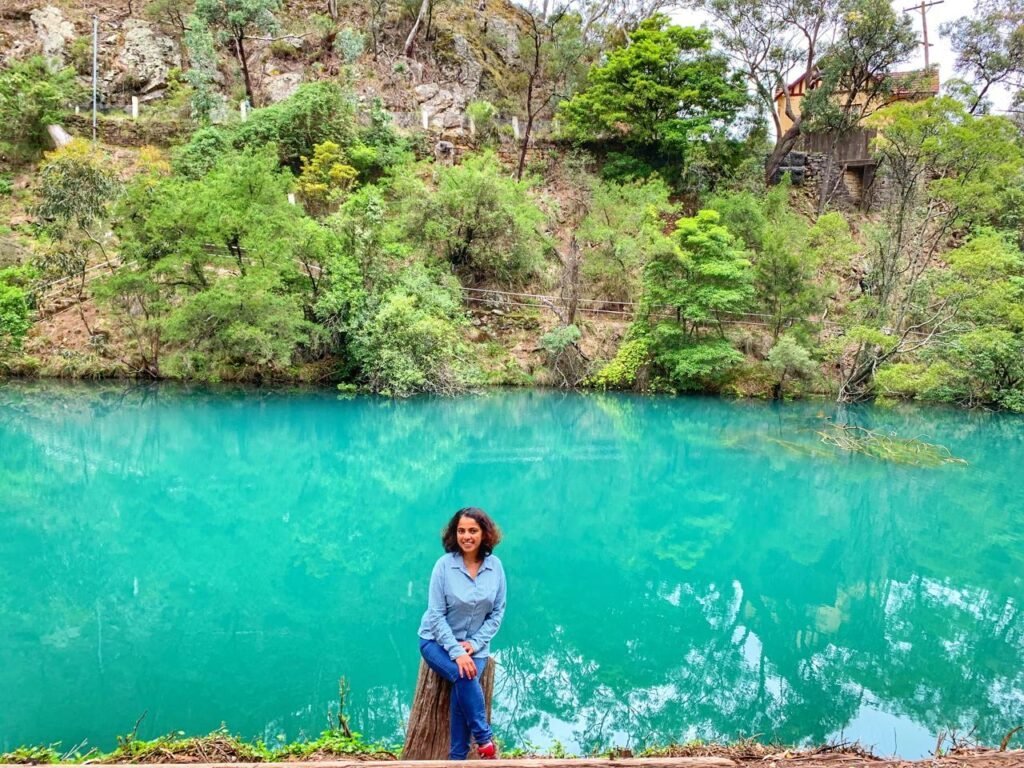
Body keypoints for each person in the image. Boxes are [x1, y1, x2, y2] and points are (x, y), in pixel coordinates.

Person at [417, 507, 506, 760]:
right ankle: (485, 739)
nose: (466, 536)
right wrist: (456, 652)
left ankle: (457, 759)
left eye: (473, 531)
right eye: (461, 531)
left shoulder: (496, 567)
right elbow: (435, 616)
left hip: (475, 646)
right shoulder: (444, 566)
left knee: (465, 680)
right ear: (454, 534)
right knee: (465, 675)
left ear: (484, 534)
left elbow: (497, 613)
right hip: (436, 641)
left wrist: (474, 644)